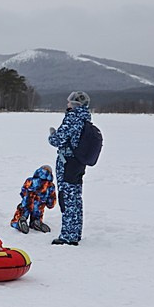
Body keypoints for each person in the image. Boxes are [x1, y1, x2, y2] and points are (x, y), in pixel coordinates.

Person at [48, 90, 92, 245]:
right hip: (79, 163)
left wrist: (52, 135)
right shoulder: (85, 117)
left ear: (74, 104)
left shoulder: (73, 117)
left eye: (69, 102)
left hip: (68, 162)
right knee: (76, 198)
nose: (67, 104)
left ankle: (68, 236)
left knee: (67, 198)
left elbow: (58, 140)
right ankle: (75, 232)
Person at [10, 165, 57, 233]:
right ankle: (36, 221)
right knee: (37, 213)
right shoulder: (50, 185)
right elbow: (52, 199)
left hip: (27, 203)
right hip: (39, 206)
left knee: (22, 210)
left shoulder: (30, 180)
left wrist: (25, 197)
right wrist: (50, 204)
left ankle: (20, 221)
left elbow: (23, 191)